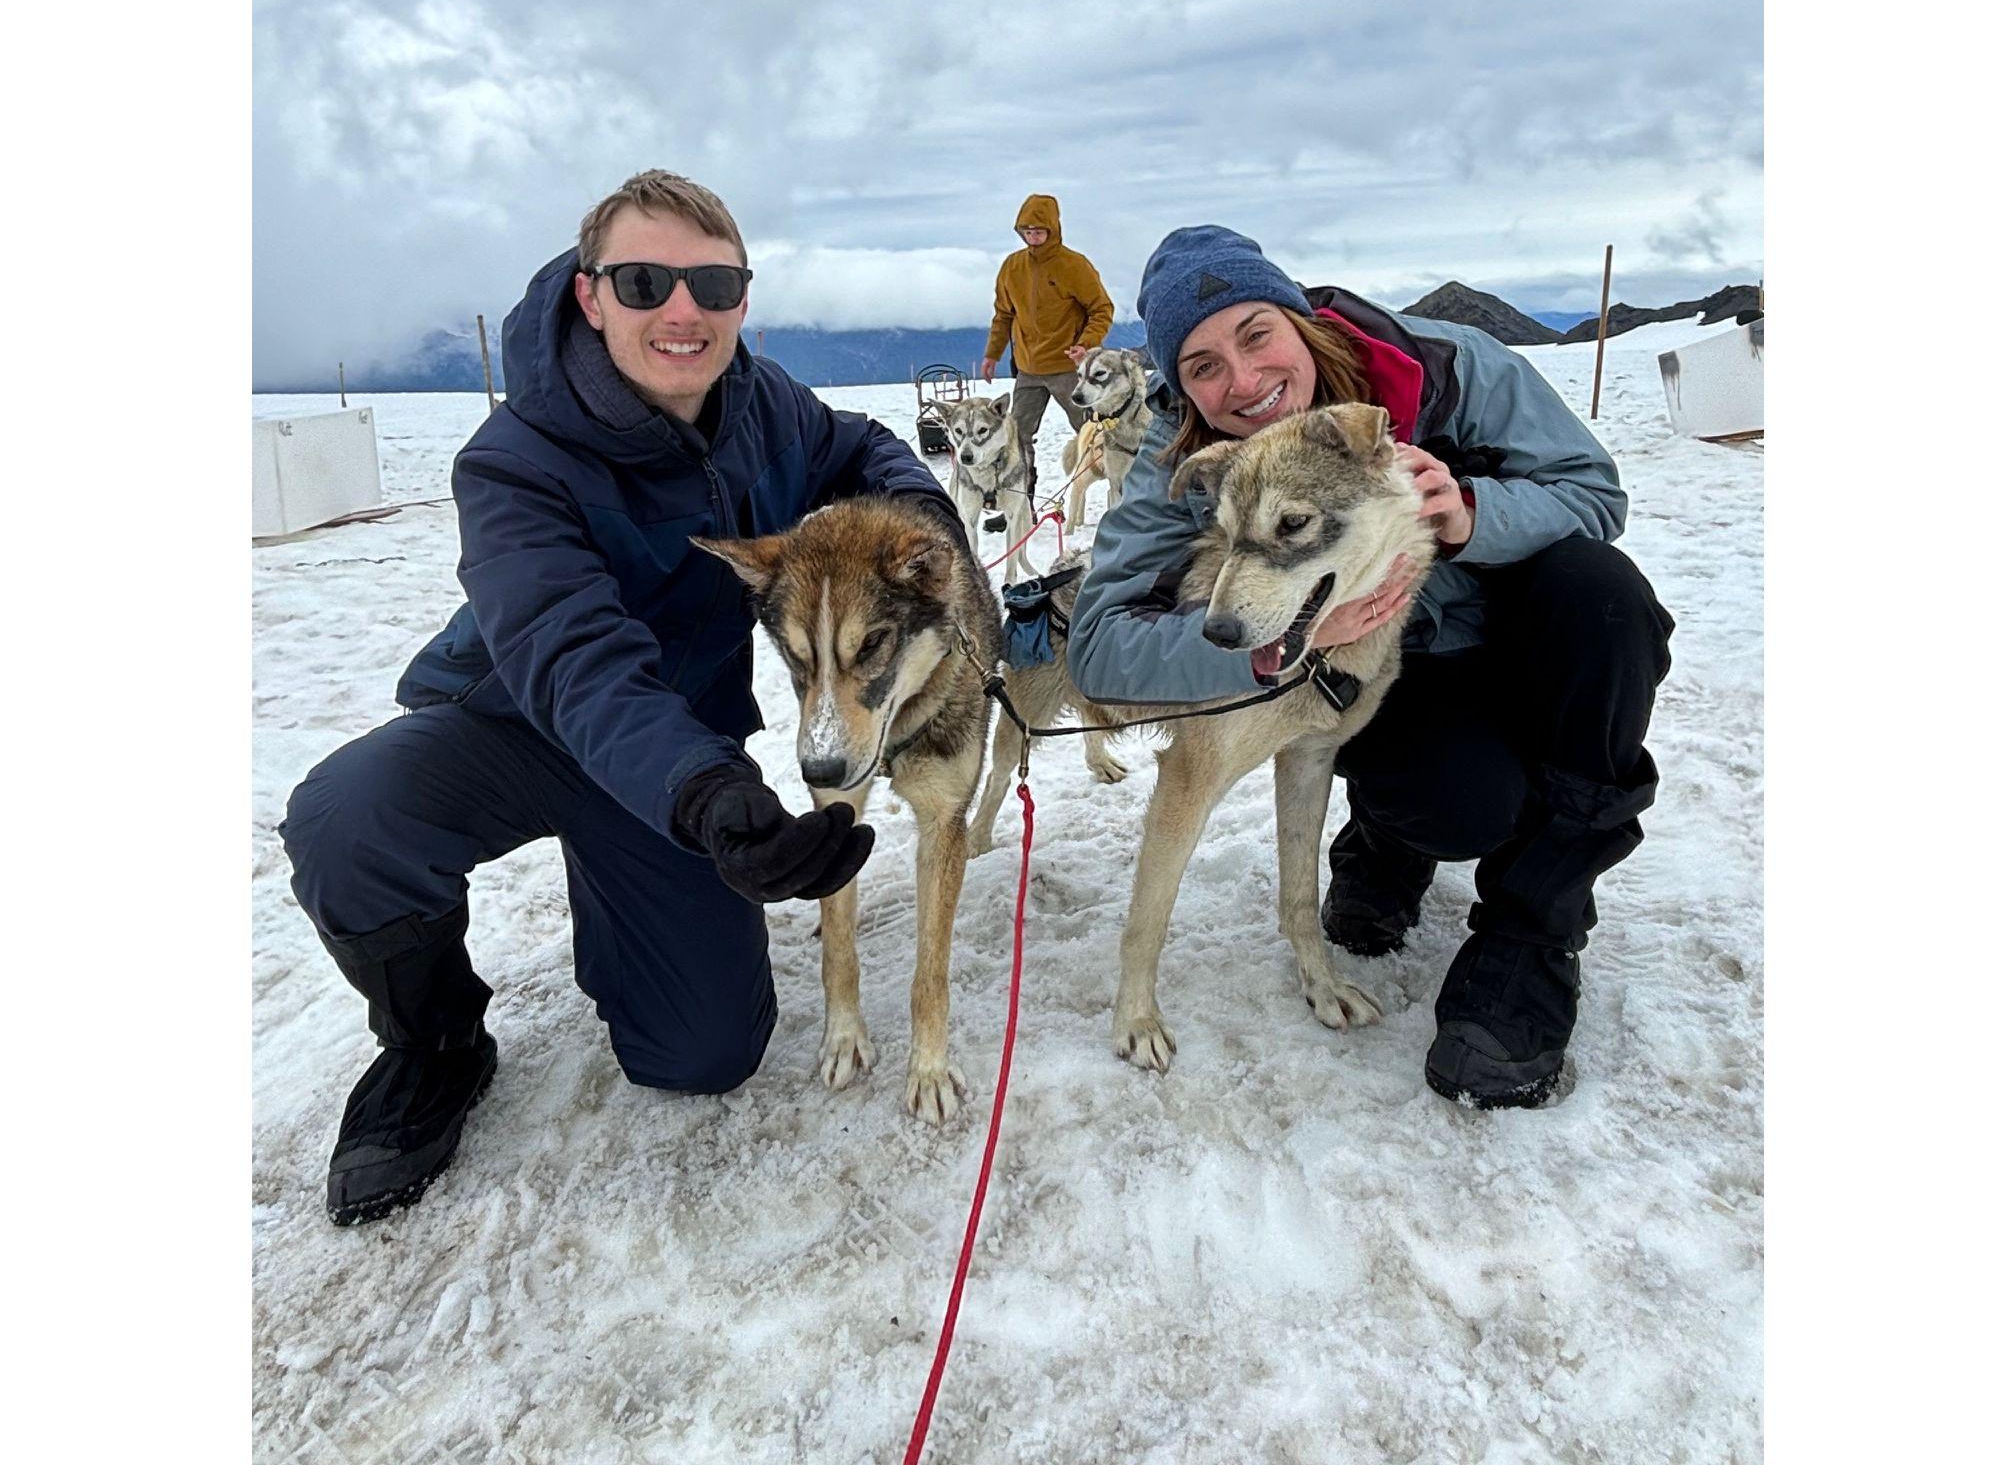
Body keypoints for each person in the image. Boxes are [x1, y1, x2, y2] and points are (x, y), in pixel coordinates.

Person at [281, 171, 962, 1223]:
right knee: (346, 818)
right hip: (515, 725)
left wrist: (923, 521)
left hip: (672, 749)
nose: (681, 309)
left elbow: (861, 450)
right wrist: (705, 796)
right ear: (592, 295)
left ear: (743, 298)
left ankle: (622, 904)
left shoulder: (765, 405)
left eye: (713, 282)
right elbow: (572, 659)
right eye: (645, 281)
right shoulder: (515, 462)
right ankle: (433, 1044)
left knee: (705, 1053)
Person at [1067, 226, 1672, 1109]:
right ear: (1178, 385)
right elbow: (1100, 642)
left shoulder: (1447, 365)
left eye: (1255, 335)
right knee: (1458, 802)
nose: (1239, 382)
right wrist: (1261, 646)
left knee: (1603, 595)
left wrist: (1470, 511)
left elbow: (1594, 493)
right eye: (1200, 366)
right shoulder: (1191, 451)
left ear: (1299, 319)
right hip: (1371, 683)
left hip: (1503, 640)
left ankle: (1533, 935)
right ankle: (1390, 844)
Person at [978, 193, 1114, 493]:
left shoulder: (1074, 265)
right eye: (1027, 231)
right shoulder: (1012, 267)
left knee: (1094, 432)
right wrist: (992, 355)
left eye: (1039, 231)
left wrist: (1086, 344)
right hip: (1028, 369)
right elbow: (1003, 315)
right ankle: (1020, 501)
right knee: (1015, 437)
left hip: (1070, 369)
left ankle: (1123, 492)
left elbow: (1102, 309)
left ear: (1053, 229)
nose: (1033, 237)